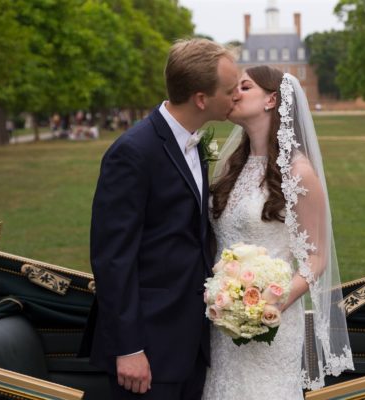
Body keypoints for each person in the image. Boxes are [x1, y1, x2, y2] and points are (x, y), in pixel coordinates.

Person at [86, 38, 240, 399]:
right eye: (230, 90)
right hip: (147, 350)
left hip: (190, 342)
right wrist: (129, 349)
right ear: (201, 99)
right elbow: (112, 258)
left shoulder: (194, 141)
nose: (237, 96)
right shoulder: (133, 152)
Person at [202, 66, 354, 399]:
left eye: (243, 86)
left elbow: (317, 258)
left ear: (272, 99)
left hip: (271, 322)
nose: (233, 94)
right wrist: (229, 305)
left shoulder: (299, 173)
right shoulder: (232, 166)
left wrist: (267, 305)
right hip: (222, 323)